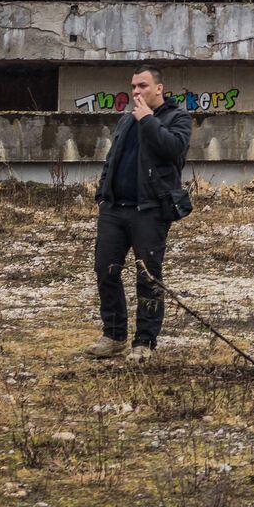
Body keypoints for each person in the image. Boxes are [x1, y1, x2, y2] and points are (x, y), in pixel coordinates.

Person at [85, 65, 193, 362]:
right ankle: (114, 336)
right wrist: (103, 193)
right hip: (114, 209)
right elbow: (113, 158)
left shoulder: (177, 118)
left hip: (149, 211)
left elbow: (173, 150)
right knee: (106, 271)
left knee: (148, 277)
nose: (136, 91)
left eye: (142, 86)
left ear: (159, 88)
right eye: (133, 86)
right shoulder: (126, 120)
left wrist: (147, 120)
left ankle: (144, 341)